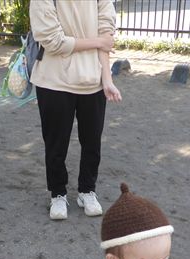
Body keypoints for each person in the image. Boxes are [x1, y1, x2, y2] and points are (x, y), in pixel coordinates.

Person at [29, 0, 122, 221]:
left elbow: (106, 35)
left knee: (92, 142)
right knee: (55, 144)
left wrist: (107, 79)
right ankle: (57, 193)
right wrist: (98, 41)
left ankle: (87, 190)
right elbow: (53, 41)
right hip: (54, 81)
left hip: (93, 81)